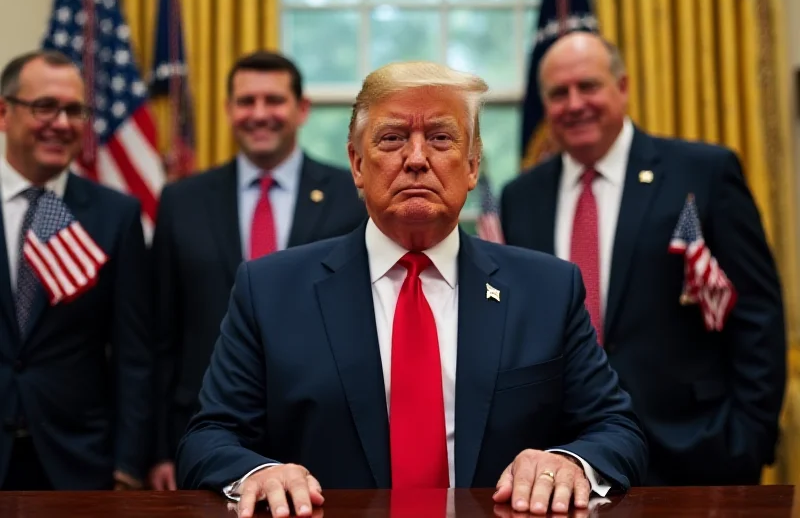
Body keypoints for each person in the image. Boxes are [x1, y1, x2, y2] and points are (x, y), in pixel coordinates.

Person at [176, 61, 647, 517]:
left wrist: (569, 463)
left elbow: (616, 428)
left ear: (472, 166)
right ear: (357, 164)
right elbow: (208, 439)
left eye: (441, 138)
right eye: (392, 138)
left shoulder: (546, 288)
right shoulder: (270, 289)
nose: (417, 159)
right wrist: (259, 472)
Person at [500, 32, 786, 485]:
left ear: (623, 87)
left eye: (588, 86)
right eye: (559, 93)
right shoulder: (522, 196)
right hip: (569, 464)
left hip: (694, 454)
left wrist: (748, 437)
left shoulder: (703, 173)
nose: (574, 104)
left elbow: (756, 312)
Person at [149, 51, 366, 490]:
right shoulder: (181, 201)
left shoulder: (352, 196)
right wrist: (158, 450)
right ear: (228, 110)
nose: (260, 114)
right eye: (247, 102)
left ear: (302, 109)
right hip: (210, 438)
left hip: (323, 438)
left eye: (274, 100)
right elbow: (158, 337)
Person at [0, 50, 153, 489]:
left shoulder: (115, 215)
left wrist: (128, 463)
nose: (62, 123)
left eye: (75, 110)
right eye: (45, 106)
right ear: (4, 113)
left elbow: (133, 354)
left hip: (77, 461)